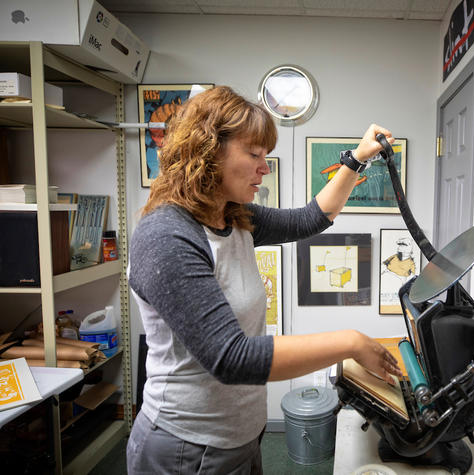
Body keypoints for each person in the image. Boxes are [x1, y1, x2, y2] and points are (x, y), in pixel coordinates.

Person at [126, 85, 402, 474]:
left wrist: (356, 159)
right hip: (188, 448)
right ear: (207, 152)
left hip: (238, 435)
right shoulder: (167, 236)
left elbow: (310, 218)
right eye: (254, 154)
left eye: (265, 156)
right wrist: (351, 343)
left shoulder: (233, 216)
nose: (265, 167)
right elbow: (231, 357)